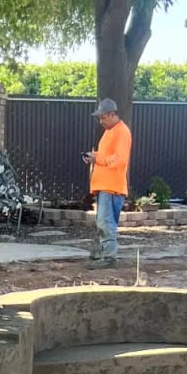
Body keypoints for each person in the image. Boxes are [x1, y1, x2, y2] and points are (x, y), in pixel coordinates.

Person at [83, 99, 132, 265]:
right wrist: (94, 158)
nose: (101, 121)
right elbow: (108, 157)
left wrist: (98, 158)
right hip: (106, 186)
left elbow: (119, 160)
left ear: (112, 114)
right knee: (104, 221)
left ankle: (109, 257)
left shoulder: (121, 132)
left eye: (103, 117)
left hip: (112, 186)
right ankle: (104, 252)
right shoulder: (110, 131)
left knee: (106, 222)